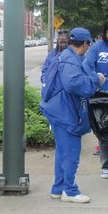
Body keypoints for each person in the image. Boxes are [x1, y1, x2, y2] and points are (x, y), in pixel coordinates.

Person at [40, 28, 106, 203]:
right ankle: (69, 191)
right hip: (65, 113)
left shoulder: (67, 56)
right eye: (88, 44)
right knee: (71, 153)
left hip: (58, 110)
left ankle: (58, 188)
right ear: (84, 44)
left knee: (63, 152)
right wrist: (96, 80)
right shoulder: (70, 60)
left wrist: (92, 76)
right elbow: (74, 84)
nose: (88, 47)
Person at [83, 20, 108, 178]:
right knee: (105, 131)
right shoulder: (97, 48)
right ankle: (106, 166)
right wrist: (96, 78)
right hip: (101, 96)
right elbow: (86, 66)